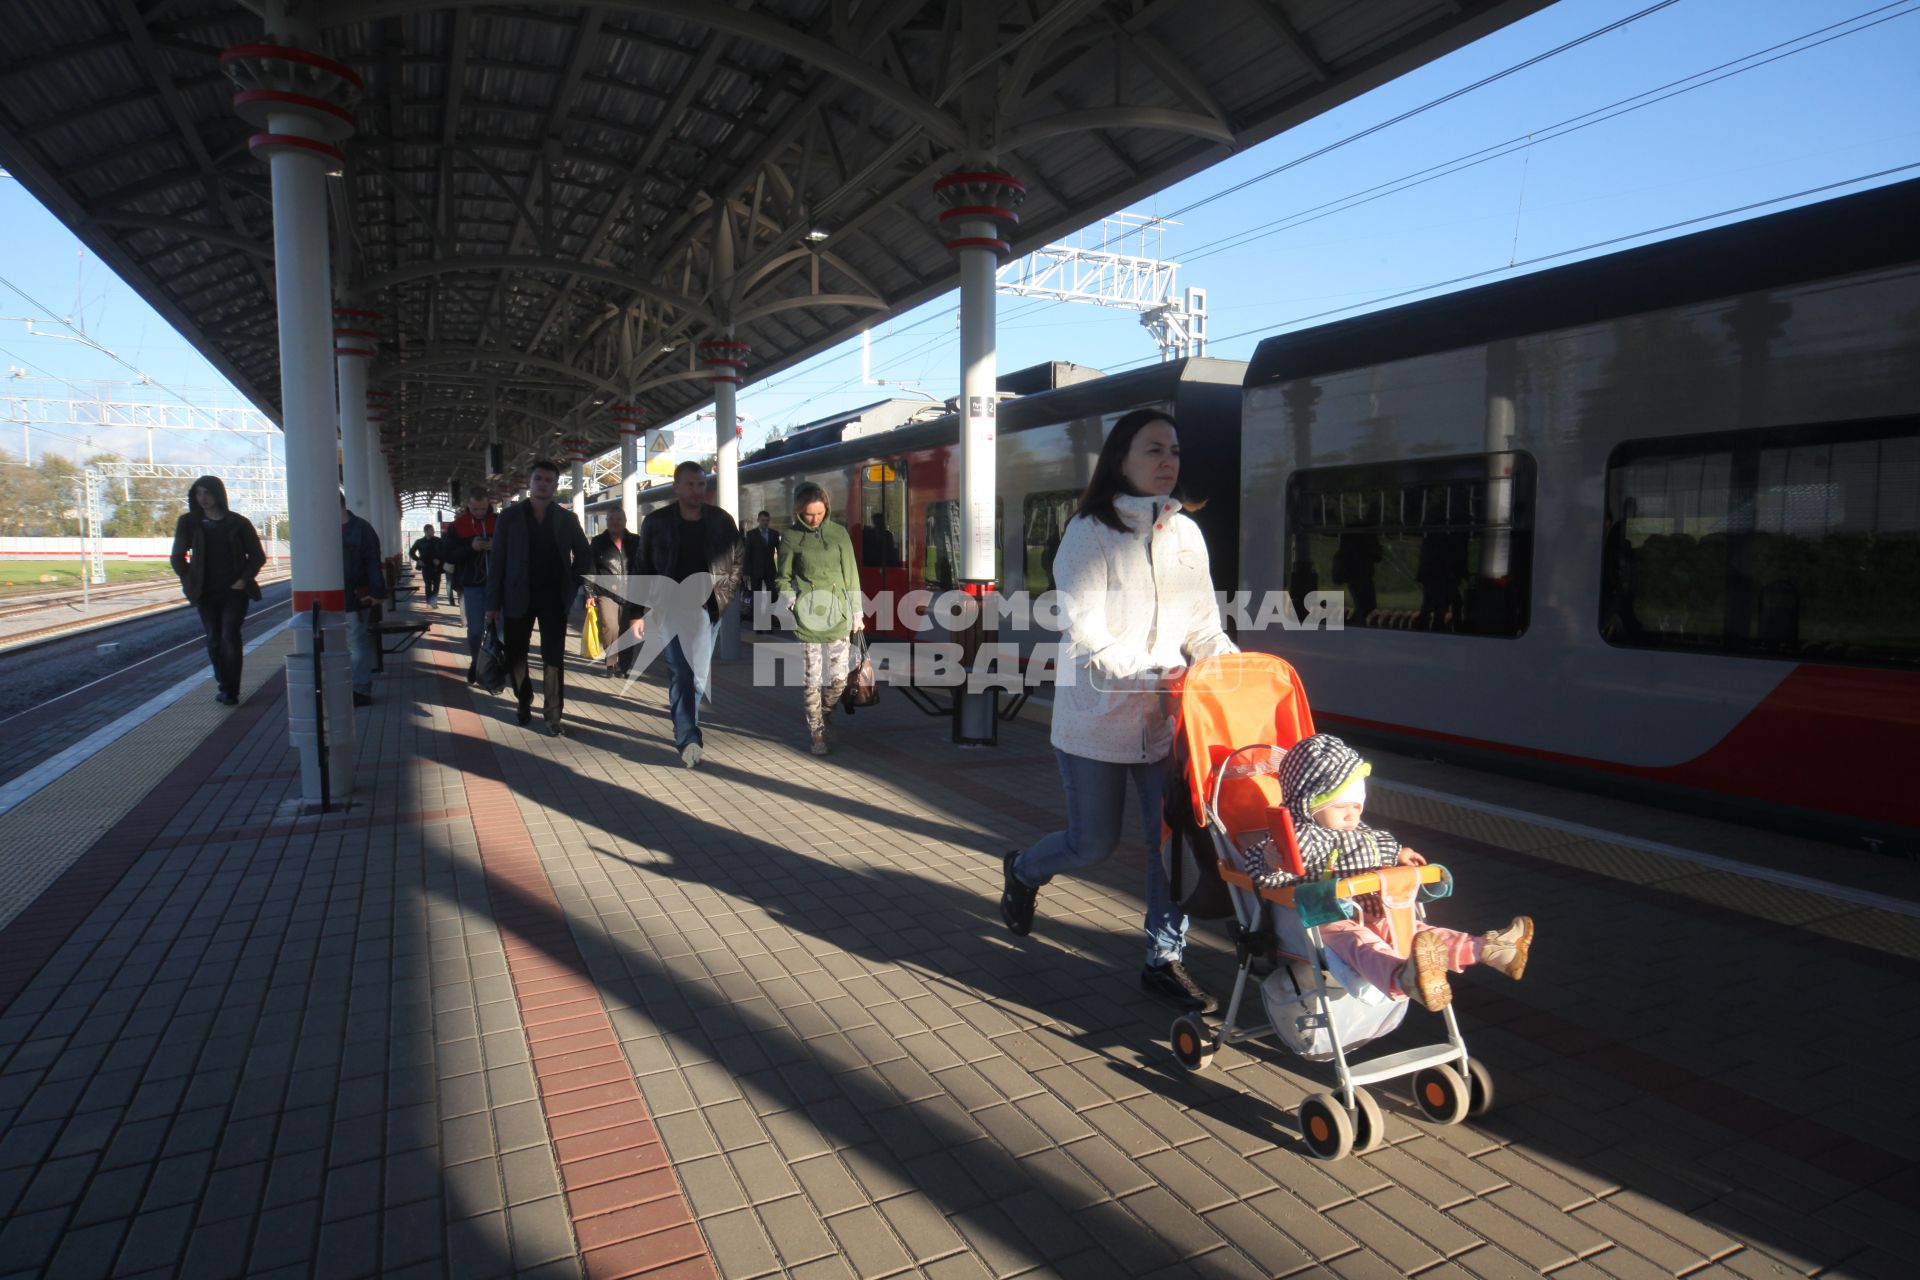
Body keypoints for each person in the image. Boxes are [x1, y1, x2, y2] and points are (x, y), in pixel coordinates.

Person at [999, 408, 1236, 1012]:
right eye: (1154, 450)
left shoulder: (1186, 535)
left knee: (1171, 844)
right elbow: (1087, 632)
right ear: (1121, 460)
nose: (1168, 462)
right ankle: (1024, 870)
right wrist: (1150, 672)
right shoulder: (1089, 531)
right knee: (1092, 844)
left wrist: (1232, 667)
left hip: (1167, 720)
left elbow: (1205, 625)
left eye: (1175, 452)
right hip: (1096, 720)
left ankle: (1164, 958)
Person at [1242, 733, 1534, 1012]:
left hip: (1376, 909)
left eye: (1357, 806)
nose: (1351, 815)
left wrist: (1399, 855)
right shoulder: (1301, 837)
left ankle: (1490, 949)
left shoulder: (1362, 831)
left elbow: (1381, 846)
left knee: (1421, 936)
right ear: (1310, 804)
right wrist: (1272, 862)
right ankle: (1401, 978)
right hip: (1329, 917)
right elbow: (1260, 871)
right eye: (1340, 807)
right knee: (1360, 943)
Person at [635, 461, 743, 767]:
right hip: (669, 609)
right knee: (680, 673)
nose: (698, 490)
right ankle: (688, 737)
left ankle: (687, 726)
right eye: (692, 484)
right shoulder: (655, 522)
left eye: (702, 484)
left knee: (698, 677)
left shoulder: (721, 521)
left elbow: (738, 556)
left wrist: (726, 593)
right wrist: (636, 611)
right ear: (677, 487)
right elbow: (642, 565)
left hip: (708, 610)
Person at [486, 460, 591, 735]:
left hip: (554, 598)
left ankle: (553, 715)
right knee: (516, 655)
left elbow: (584, 554)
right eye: (539, 479)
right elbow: (496, 562)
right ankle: (524, 700)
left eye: (549, 480)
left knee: (553, 657)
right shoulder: (509, 518)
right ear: (529, 482)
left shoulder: (567, 519)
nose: (543, 484)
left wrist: (573, 581)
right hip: (516, 595)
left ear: (556, 486)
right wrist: (492, 604)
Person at [775, 483, 861, 755]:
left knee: (839, 680)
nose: (815, 519)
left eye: (820, 513)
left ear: (827, 509)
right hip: (809, 616)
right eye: (809, 514)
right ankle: (816, 734)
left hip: (839, 615)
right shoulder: (790, 537)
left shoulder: (839, 534)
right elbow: (783, 576)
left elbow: (851, 574)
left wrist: (857, 612)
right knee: (812, 679)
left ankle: (824, 712)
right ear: (799, 512)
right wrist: (791, 600)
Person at [169, 475, 265, 706]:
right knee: (213, 639)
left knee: (229, 636)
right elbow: (177, 558)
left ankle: (232, 690)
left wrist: (243, 580)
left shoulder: (238, 523)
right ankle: (223, 684)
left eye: (207, 493)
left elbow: (257, 556)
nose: (203, 498)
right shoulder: (188, 522)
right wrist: (189, 581)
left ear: (218, 494)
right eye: (198, 493)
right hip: (206, 593)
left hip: (235, 591)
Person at [441, 487, 497, 684]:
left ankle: (491, 666)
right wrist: (471, 548)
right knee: (475, 630)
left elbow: (512, 548)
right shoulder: (458, 526)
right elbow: (448, 555)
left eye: (483, 509)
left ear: (488, 504)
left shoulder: (498, 522)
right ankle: (476, 661)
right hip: (472, 585)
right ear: (468, 505)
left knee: (498, 630)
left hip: (498, 585)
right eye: (475, 509)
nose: (480, 513)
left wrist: (495, 546)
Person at [340, 495, 386, 708]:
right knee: (352, 643)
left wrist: (377, 593)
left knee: (356, 643)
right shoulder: (323, 528)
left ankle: (360, 689)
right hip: (331, 598)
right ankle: (348, 686)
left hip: (356, 596)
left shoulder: (362, 529)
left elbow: (373, 561)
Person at [588, 506, 641, 675]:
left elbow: (643, 566)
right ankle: (611, 662)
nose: (614, 522)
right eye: (610, 519)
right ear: (606, 521)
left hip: (631, 591)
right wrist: (589, 592)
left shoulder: (636, 541)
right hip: (606, 591)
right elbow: (591, 567)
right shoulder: (598, 542)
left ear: (625, 521)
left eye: (618, 519)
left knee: (626, 629)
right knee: (610, 626)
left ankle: (624, 666)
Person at [742, 510, 781, 630]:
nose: (765, 523)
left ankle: (768, 618)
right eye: (763, 520)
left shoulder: (774, 534)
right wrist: (746, 573)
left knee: (773, 594)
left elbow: (780, 551)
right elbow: (747, 554)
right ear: (758, 520)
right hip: (755, 570)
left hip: (770, 569)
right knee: (757, 596)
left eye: (767, 521)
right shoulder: (751, 534)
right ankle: (759, 623)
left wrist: (782, 568)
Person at [409, 523, 444, 605]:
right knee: (428, 584)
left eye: (433, 530)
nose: (433, 532)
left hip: (436, 566)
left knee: (436, 584)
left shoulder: (438, 541)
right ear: (426, 531)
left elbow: (444, 552)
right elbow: (411, 552)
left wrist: (439, 560)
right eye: (431, 530)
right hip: (425, 566)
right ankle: (429, 601)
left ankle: (433, 600)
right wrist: (418, 560)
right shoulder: (419, 542)